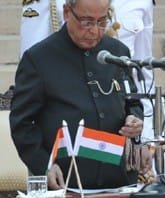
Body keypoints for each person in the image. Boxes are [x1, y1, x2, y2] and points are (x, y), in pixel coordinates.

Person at [11, 0, 144, 190]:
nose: (95, 31)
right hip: (66, 181)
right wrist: (44, 166)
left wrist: (135, 119)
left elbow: (132, 100)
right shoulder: (38, 58)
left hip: (118, 178)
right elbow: (22, 123)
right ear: (67, 13)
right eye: (87, 21)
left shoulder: (117, 52)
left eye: (102, 21)